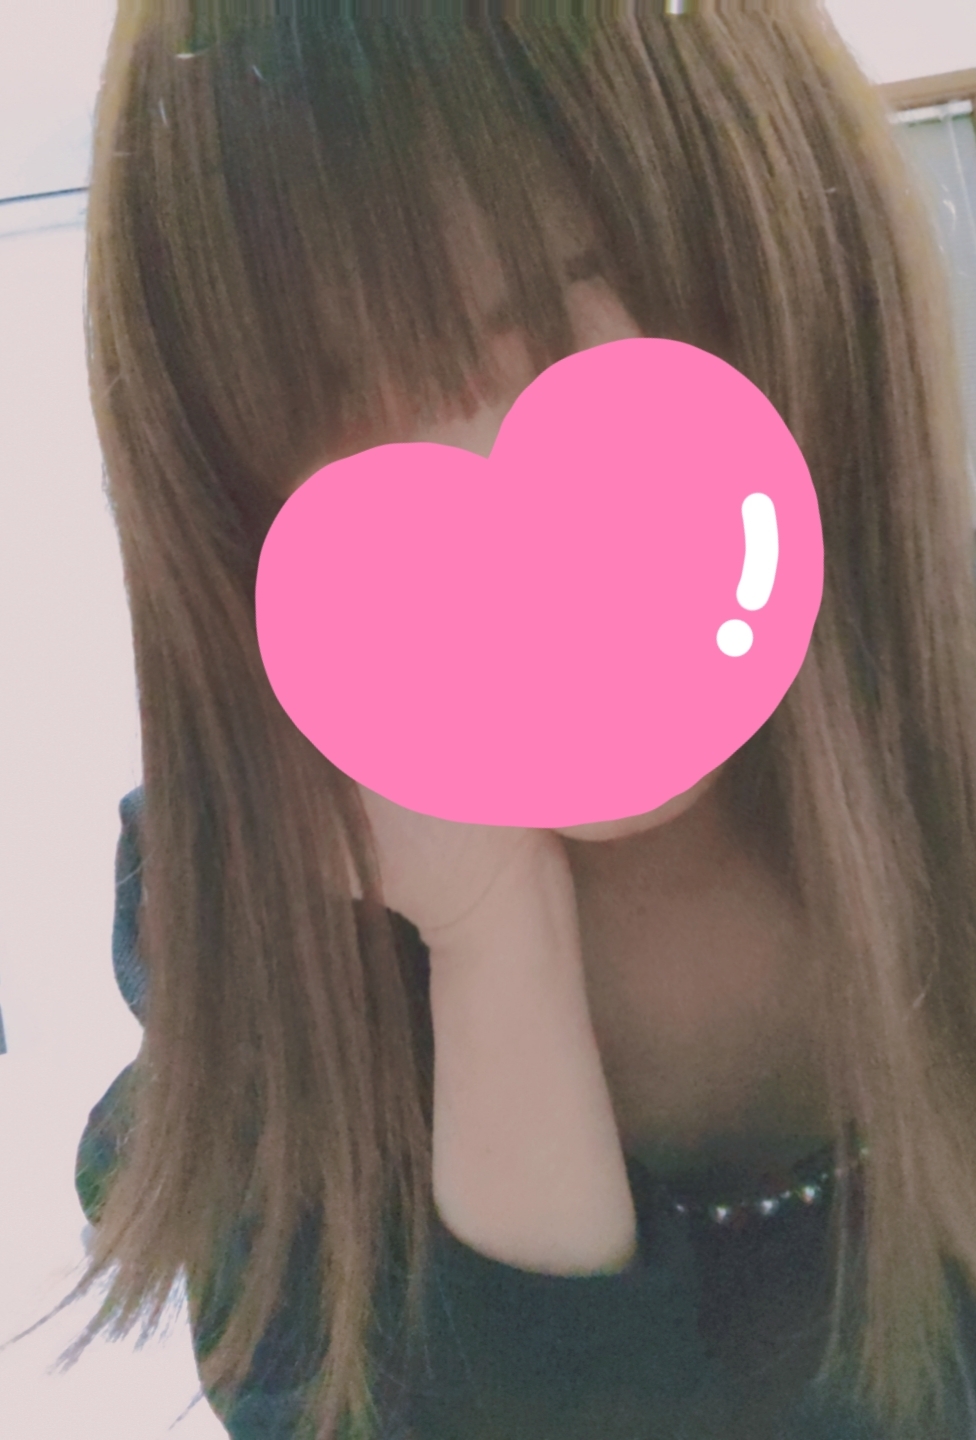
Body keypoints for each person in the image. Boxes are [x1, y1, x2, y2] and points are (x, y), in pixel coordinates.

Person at [6, 5, 976, 1439]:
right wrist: (491, 942)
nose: (479, 498)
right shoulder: (254, 925)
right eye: (330, 406)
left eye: (556, 319)